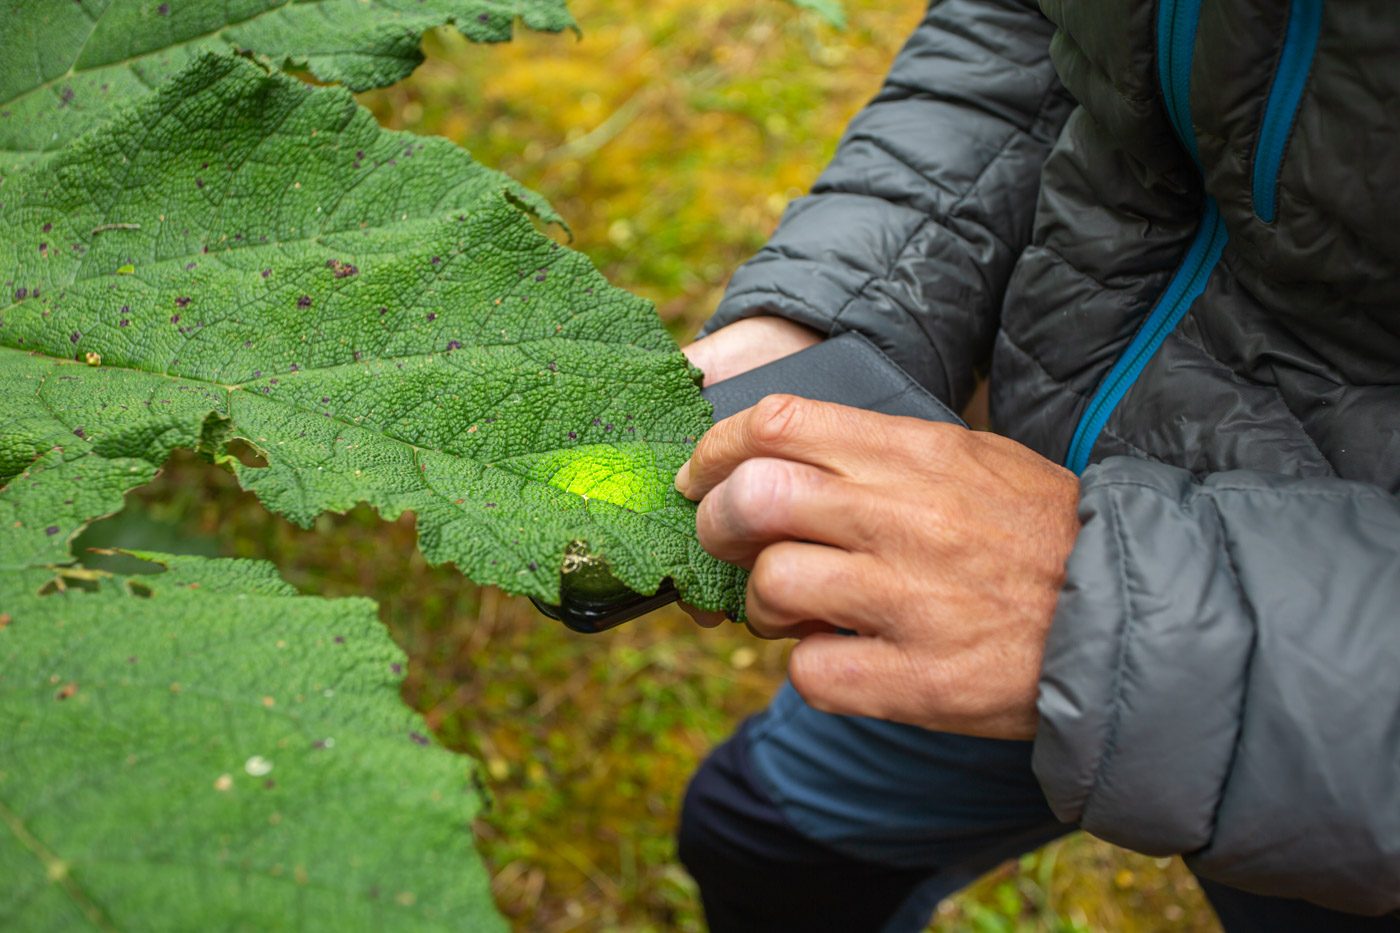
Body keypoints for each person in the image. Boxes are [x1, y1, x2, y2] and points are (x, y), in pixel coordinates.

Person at [671, 0, 1400, 930]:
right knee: (764, 834)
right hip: (999, 532)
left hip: (1335, 718)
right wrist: (838, 311)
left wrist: (1116, 607)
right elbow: (1026, 23)